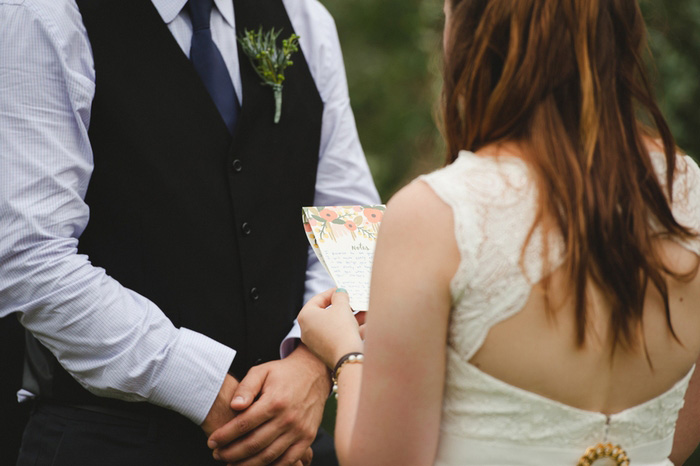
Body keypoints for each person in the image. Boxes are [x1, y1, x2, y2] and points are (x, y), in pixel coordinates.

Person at [282, 0, 700, 464]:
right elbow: (672, 440)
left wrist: (345, 351)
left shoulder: (438, 215)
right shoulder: (688, 194)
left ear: (473, 38)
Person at [0, 0, 379, 464]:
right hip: (108, 442)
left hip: (290, 442)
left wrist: (312, 363)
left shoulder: (303, 18)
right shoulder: (41, 14)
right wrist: (208, 390)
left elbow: (350, 224)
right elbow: (29, 254)